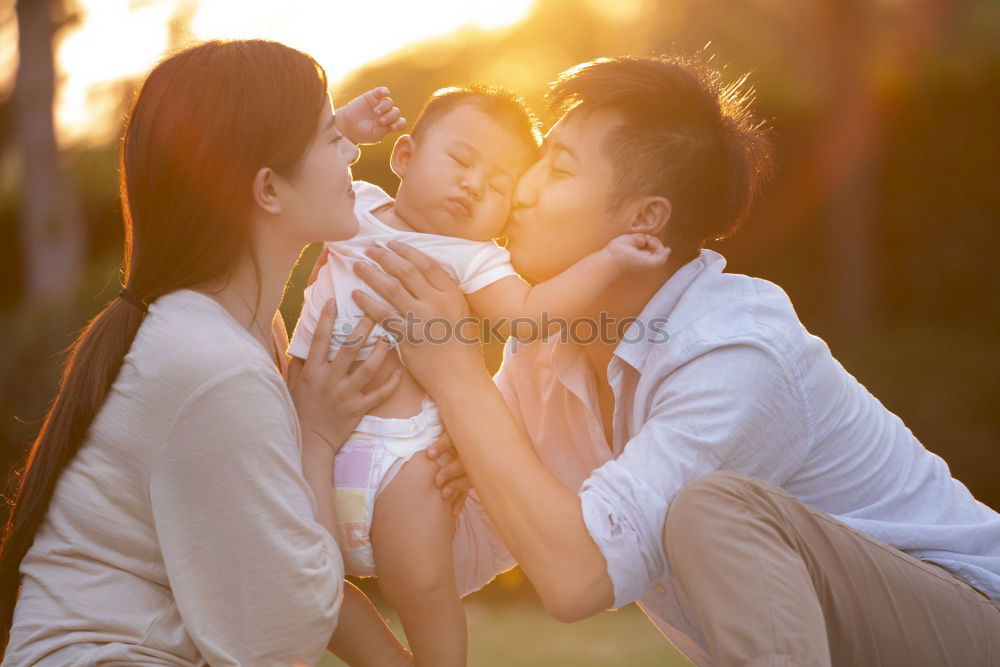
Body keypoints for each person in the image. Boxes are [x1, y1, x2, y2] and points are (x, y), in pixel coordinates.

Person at [352, 55, 1000, 666]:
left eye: (560, 167)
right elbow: (462, 548)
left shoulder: (733, 350)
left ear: (643, 220)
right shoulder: (544, 348)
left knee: (708, 509)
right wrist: (327, 441)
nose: (521, 189)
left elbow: (578, 577)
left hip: (973, 624)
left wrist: (457, 373)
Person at [0, 40, 465, 666]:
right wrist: (317, 440)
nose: (353, 152)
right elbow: (282, 637)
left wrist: (416, 467)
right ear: (269, 189)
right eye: (332, 137)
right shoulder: (211, 364)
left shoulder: (234, 327)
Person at [290, 83, 669, 665]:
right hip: (300, 437)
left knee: (423, 589)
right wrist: (341, 125)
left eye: (498, 186)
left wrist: (609, 258)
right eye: (462, 161)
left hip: (403, 461)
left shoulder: (476, 259)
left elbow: (530, 315)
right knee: (306, 586)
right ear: (404, 155)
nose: (473, 185)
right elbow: (284, 180)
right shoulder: (354, 206)